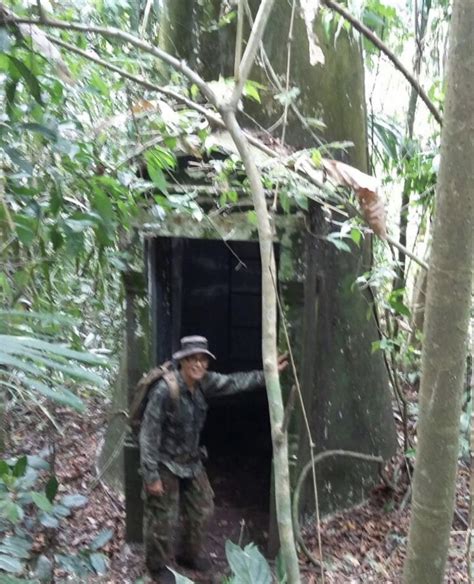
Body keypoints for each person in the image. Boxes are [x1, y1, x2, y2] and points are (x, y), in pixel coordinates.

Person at [139, 335, 288, 583]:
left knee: (203, 508)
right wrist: (151, 476)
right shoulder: (165, 390)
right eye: (192, 360)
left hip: (190, 461)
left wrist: (268, 374)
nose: (198, 365)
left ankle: (188, 554)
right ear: (183, 362)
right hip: (164, 462)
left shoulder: (204, 383)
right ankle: (156, 567)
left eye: (202, 360)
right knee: (161, 516)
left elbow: (233, 383)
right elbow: (148, 434)